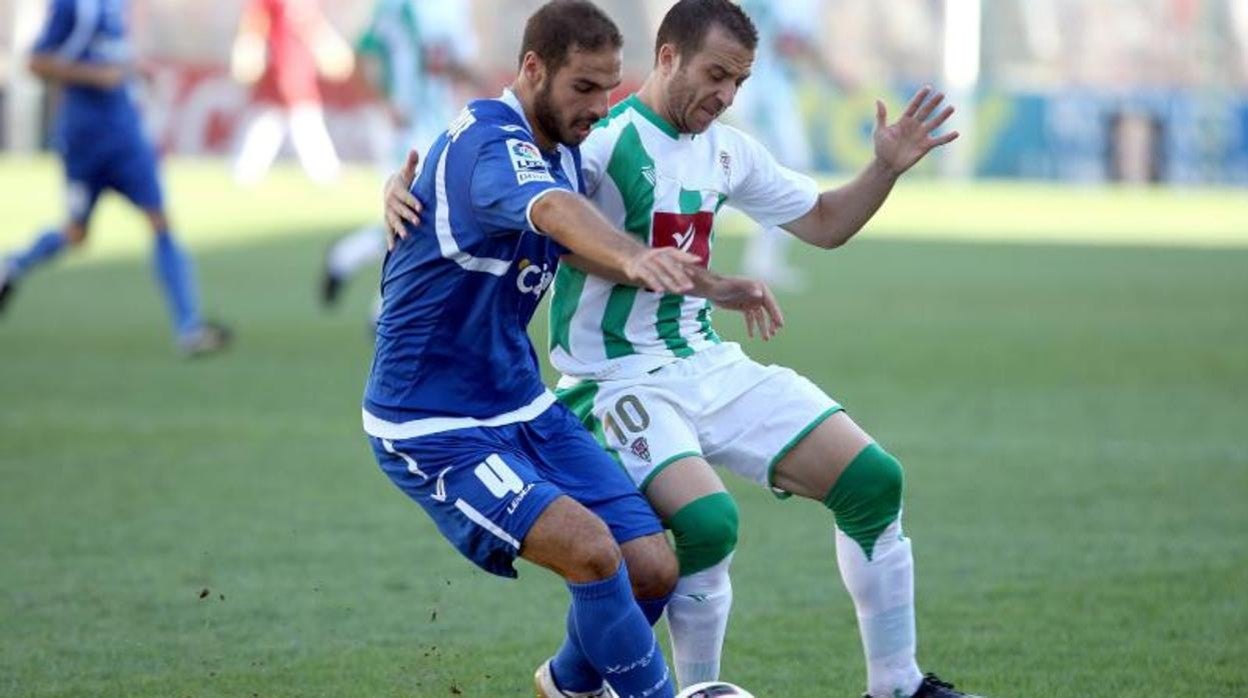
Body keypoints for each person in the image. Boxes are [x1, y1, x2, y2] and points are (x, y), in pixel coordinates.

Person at [382, 1, 983, 696]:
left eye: (739, 82)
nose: (726, 94)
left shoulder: (728, 149)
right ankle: (696, 687)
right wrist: (398, 187)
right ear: (667, 57)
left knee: (875, 480)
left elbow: (823, 222)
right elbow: (523, 200)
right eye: (715, 74)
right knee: (704, 524)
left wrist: (883, 170)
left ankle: (898, 685)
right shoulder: (594, 139)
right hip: (613, 379)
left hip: (705, 361)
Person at [364, 3, 781, 697]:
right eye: (584, 87)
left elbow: (592, 215)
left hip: (520, 404)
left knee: (652, 567)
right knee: (591, 552)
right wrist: (631, 255)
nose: (599, 105)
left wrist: (713, 285)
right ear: (532, 69)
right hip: (432, 424)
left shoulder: (562, 147)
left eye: (610, 88)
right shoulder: (491, 145)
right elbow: (554, 212)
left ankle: (565, 684)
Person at [0, 0, 230, 357]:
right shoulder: (74, 6)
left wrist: (134, 69)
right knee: (75, 233)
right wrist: (95, 75)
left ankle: (189, 327)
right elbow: (36, 61)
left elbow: (110, 53)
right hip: (85, 140)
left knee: (160, 220)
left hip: (124, 137)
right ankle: (13, 264)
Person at [319, 0, 487, 310]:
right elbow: (360, 51)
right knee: (415, 215)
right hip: (406, 131)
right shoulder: (398, 6)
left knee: (425, 217)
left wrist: (476, 85)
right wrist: (384, 102)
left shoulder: (458, 8)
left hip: (442, 125)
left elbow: (456, 63)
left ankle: (346, 257)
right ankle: (384, 309)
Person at [733, 0, 845, 291]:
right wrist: (833, 74)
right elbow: (789, 42)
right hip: (763, 93)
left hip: (758, 89)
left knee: (777, 174)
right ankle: (762, 260)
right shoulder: (799, 6)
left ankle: (762, 258)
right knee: (790, 174)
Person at [229, 0, 352, 186]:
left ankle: (324, 171)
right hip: (280, 63)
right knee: (288, 118)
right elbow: (256, 20)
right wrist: (249, 48)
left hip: (298, 63)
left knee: (289, 119)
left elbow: (313, 26)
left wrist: (329, 47)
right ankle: (324, 171)